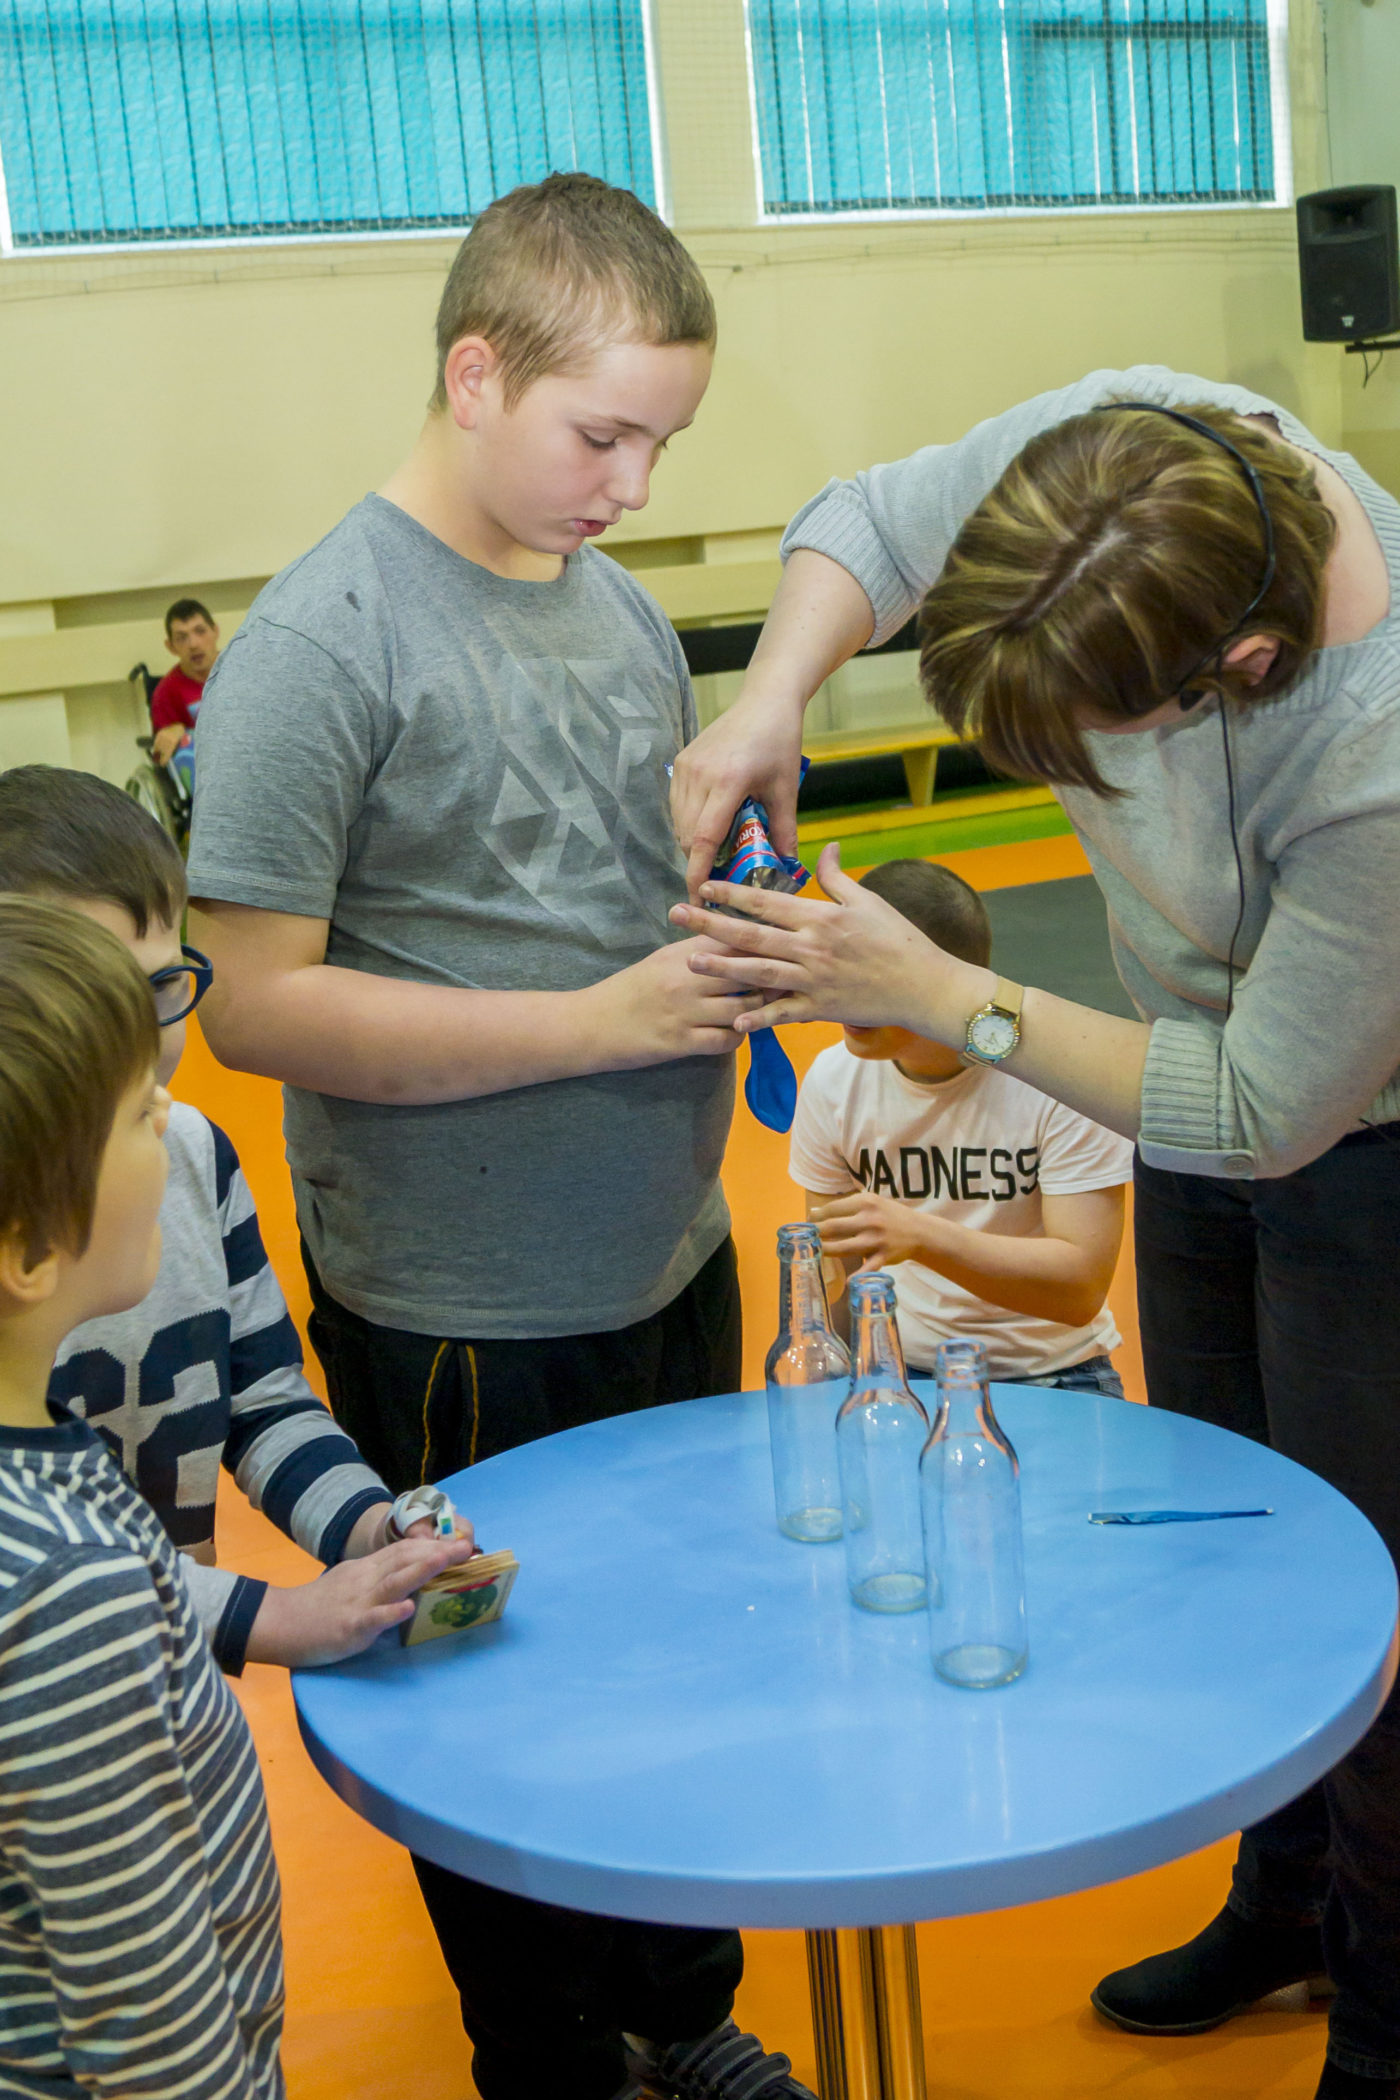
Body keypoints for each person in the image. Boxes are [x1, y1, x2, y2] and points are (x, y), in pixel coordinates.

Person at [668, 365, 1400, 2100]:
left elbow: (1268, 1107)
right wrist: (771, 700)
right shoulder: (1126, 459)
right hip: (1183, 1077)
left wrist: (945, 995)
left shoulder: (1376, 761)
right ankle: (1287, 1904)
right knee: (1237, 1538)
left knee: (1369, 1594)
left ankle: (1388, 2014)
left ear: (1238, 668)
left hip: (1355, 1137)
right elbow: (868, 518)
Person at [184, 173, 807, 2100]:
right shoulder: (323, 644)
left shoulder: (618, 614)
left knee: (676, 1671)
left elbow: (625, 905)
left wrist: (747, 926)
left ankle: (681, 2013)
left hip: (667, 1265)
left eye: (663, 442)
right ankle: (548, 2060)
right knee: (499, 1713)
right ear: (475, 377)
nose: (634, 482)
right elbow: (252, 1003)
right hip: (465, 1315)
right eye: (601, 435)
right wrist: (594, 1023)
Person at [0, 763, 475, 1674]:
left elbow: (262, 1403)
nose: (142, 1039)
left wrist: (370, 1529)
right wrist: (268, 1617)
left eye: (159, 987)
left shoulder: (188, 1154)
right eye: (92, 1000)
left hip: (172, 1678)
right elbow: (40, 1552)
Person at [0, 896, 287, 2099]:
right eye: (134, 1115)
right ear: (29, 1252)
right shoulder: (70, 1592)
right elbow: (153, 2035)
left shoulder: (42, 1475)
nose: (170, 1116)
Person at [791, 860, 1131, 1388]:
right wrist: (830, 1390)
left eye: (868, 970)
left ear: (943, 976)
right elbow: (833, 1273)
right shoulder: (832, 1080)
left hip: (1056, 1374)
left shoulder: (1060, 1076)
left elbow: (1080, 1292)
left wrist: (922, 1236)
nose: (842, 991)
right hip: (898, 1372)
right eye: (837, 964)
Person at [151, 596, 220, 790]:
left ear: (215, 631)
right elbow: (161, 755)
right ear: (171, 646)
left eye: (200, 631)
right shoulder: (166, 692)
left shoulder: (241, 671)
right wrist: (175, 730)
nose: (193, 644)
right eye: (182, 638)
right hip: (207, 774)